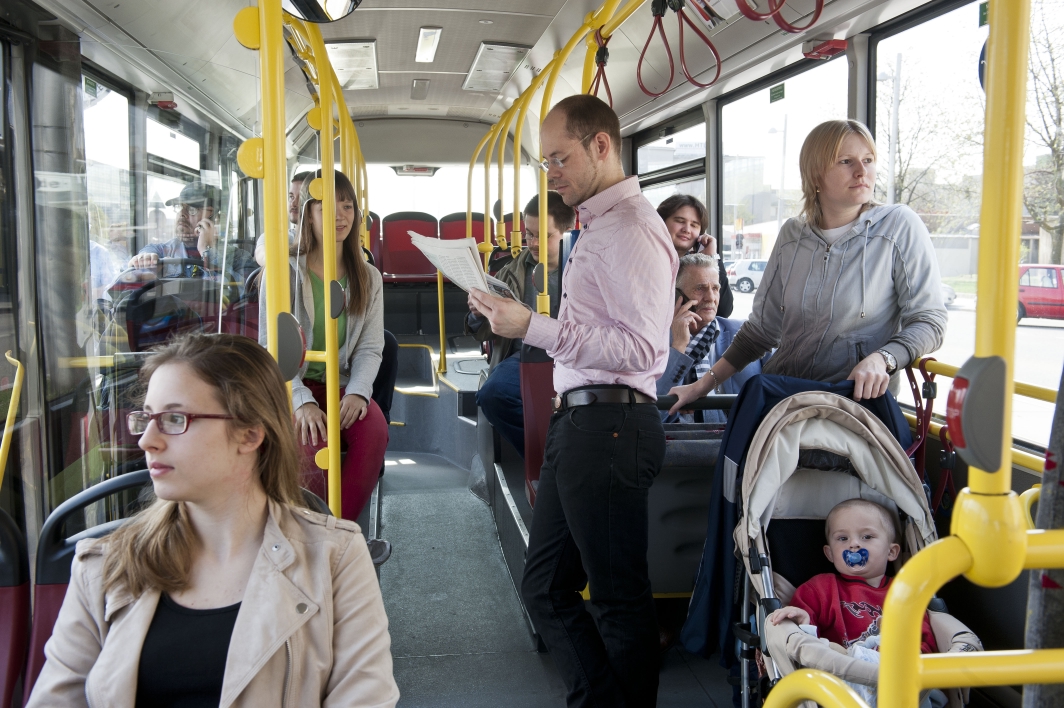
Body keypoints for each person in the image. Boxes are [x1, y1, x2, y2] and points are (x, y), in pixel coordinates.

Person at [26, 333, 399, 707]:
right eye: (146, 418)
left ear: (250, 434)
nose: (146, 441)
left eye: (174, 419)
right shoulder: (104, 566)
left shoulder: (336, 561)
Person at [469, 94, 675, 707]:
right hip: (581, 423)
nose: (550, 173)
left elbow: (641, 349)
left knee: (617, 600)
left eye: (559, 158)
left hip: (612, 424)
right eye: (545, 161)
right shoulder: (598, 226)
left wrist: (530, 325)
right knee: (547, 591)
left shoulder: (632, 229)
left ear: (602, 146)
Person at [669, 119, 947, 413]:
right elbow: (760, 333)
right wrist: (701, 387)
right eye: (846, 161)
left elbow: (930, 320)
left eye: (868, 160)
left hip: (853, 407)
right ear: (816, 174)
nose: (862, 171)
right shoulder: (792, 235)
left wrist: (885, 358)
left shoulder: (898, 226)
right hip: (784, 404)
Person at [258, 170, 389, 535]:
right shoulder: (283, 271)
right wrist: (301, 400)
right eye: (327, 207)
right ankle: (311, 532)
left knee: (374, 429)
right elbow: (273, 350)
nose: (340, 215)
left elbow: (370, 347)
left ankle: (336, 534)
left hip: (342, 383)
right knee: (314, 439)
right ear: (308, 216)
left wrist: (360, 391)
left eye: (347, 206)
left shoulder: (369, 278)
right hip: (292, 386)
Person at [766, 499, 980, 706]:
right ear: (830, 554)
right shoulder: (819, 588)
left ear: (891, 551)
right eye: (842, 539)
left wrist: (899, 644)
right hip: (842, 680)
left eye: (867, 536)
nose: (854, 544)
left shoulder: (906, 591)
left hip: (897, 683)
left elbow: (925, 645)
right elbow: (805, 646)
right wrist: (803, 620)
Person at [466, 190, 573, 457]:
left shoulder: (584, 271)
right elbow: (480, 332)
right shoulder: (510, 271)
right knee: (492, 396)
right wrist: (478, 314)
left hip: (572, 354)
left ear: (567, 232)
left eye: (543, 235)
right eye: (529, 234)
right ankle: (546, 456)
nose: (533, 243)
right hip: (522, 355)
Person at [657, 254, 766, 424]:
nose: (710, 297)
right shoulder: (654, 343)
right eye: (700, 288)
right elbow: (655, 416)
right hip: (677, 444)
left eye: (715, 288)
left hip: (736, 441)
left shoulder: (746, 335)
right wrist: (678, 347)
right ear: (677, 294)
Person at [129, 181, 257, 282]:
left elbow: (246, 293)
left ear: (215, 219)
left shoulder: (239, 258)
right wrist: (142, 261)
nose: (182, 214)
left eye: (192, 209)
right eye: (179, 207)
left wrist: (207, 252)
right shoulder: (160, 251)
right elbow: (127, 278)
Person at [657, 195, 733, 318]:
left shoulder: (694, 266)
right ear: (661, 222)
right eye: (680, 221)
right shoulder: (647, 261)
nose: (687, 229)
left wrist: (712, 258)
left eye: (694, 225)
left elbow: (723, 310)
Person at [254, 171, 312, 267]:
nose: (293, 203)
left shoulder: (327, 239)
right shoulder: (276, 237)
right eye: (291, 197)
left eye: (302, 197)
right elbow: (262, 255)